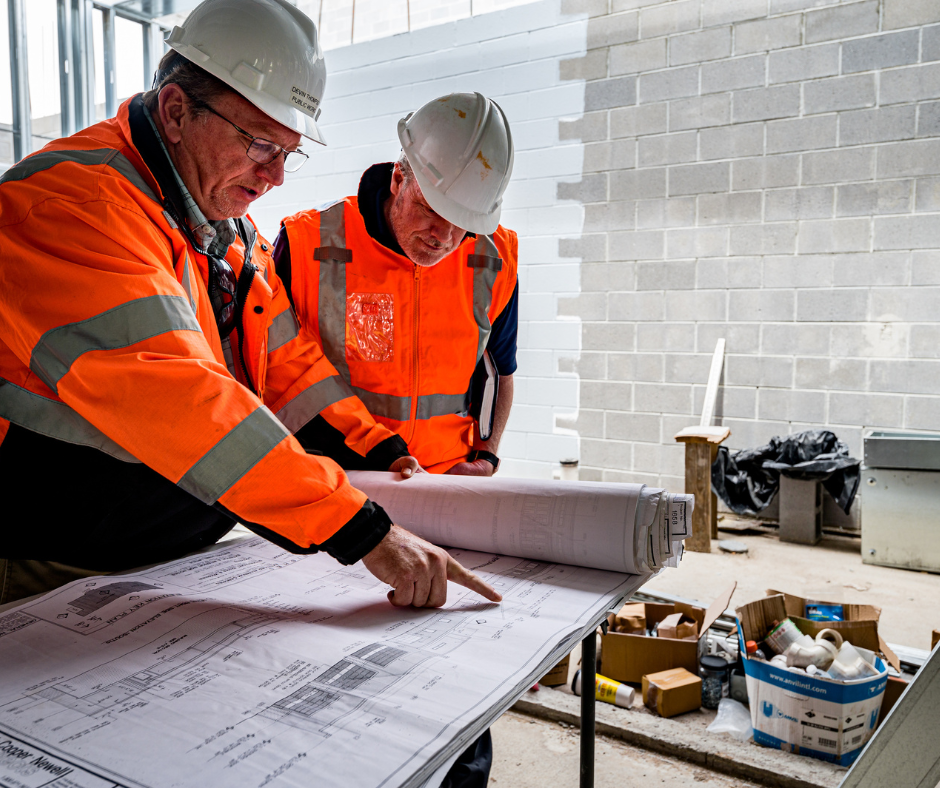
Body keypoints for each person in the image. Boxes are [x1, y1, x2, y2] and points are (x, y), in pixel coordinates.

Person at [0, 0, 499, 613]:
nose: (276, 178)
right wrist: (362, 530)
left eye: (289, 153)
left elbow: (293, 371)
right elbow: (183, 401)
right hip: (44, 573)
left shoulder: (224, 232)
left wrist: (379, 451)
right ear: (177, 111)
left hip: (154, 569)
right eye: (261, 145)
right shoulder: (73, 208)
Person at [273, 92, 518, 476]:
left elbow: (501, 371)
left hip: (445, 484)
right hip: (338, 480)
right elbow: (274, 373)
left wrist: (487, 458)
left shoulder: (494, 259)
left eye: (463, 221)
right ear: (399, 179)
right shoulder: (308, 243)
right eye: (430, 209)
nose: (445, 236)